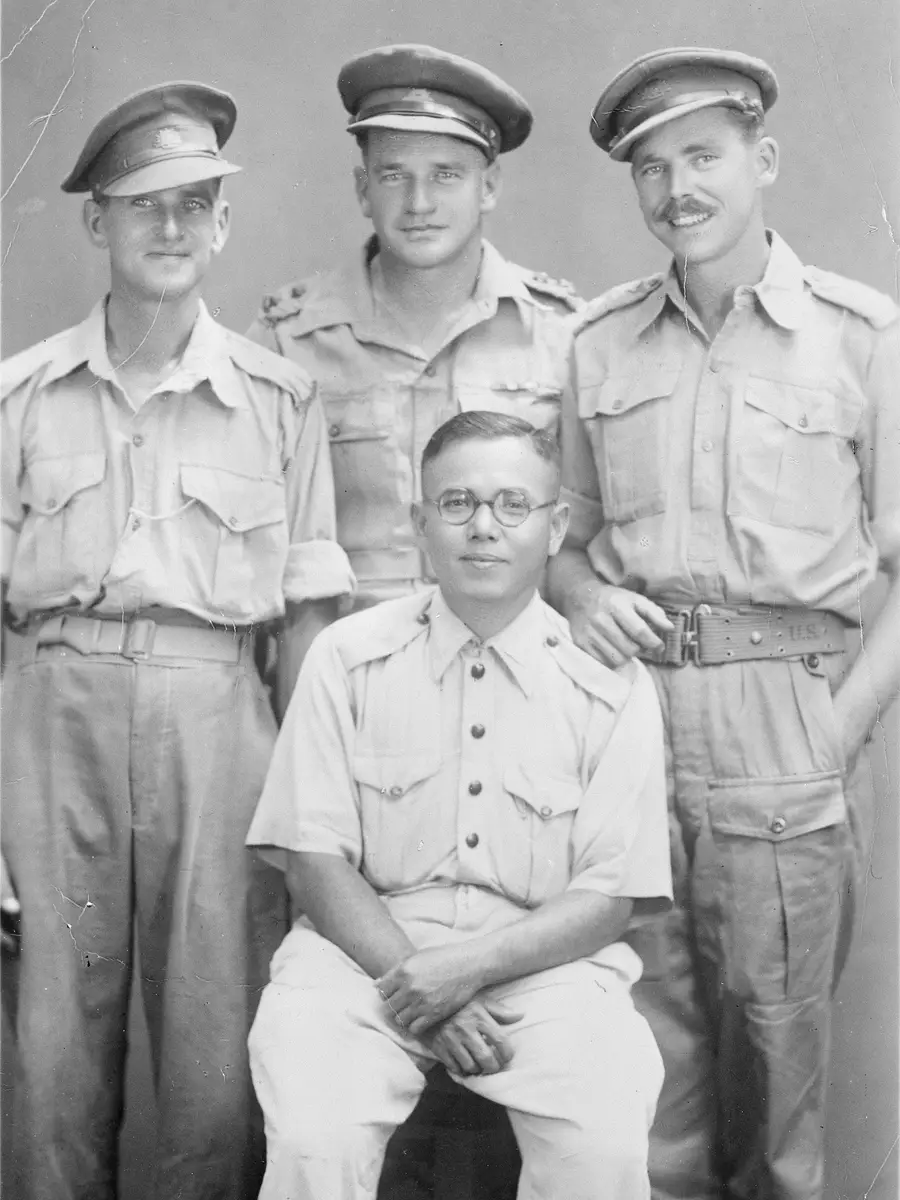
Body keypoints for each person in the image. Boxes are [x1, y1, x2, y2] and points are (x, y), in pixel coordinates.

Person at [549, 47, 900, 1200]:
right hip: (634, 721)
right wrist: (585, 595)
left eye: (701, 157)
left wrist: (835, 730)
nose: (676, 189)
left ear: (765, 160)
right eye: (650, 168)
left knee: (774, 1078)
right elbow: (564, 540)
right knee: (641, 1079)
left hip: (784, 720)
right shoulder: (598, 342)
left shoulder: (862, 338)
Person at [0, 82, 354, 1200]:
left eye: (194, 204)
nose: (170, 227)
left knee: (216, 1047)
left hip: (218, 724)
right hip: (52, 725)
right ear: (95, 221)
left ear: (223, 224)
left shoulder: (280, 401)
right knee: (56, 1041)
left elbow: (306, 621)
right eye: (143, 204)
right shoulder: (19, 398)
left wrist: (312, 821)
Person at [245, 410, 673, 1200]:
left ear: (555, 528)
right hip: (362, 960)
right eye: (456, 503)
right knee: (313, 1137)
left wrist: (465, 971)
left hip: (544, 968)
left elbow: (611, 895)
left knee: (603, 1143)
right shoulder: (348, 655)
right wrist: (420, 987)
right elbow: (313, 858)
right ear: (420, 524)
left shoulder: (610, 685)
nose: (483, 527)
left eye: (513, 504)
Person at [247, 43, 580, 613]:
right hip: (349, 653)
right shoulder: (288, 341)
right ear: (363, 190)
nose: (418, 202)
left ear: (489, 187)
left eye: (446, 175)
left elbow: (584, 533)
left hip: (510, 653)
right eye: (394, 175)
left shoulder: (561, 335)